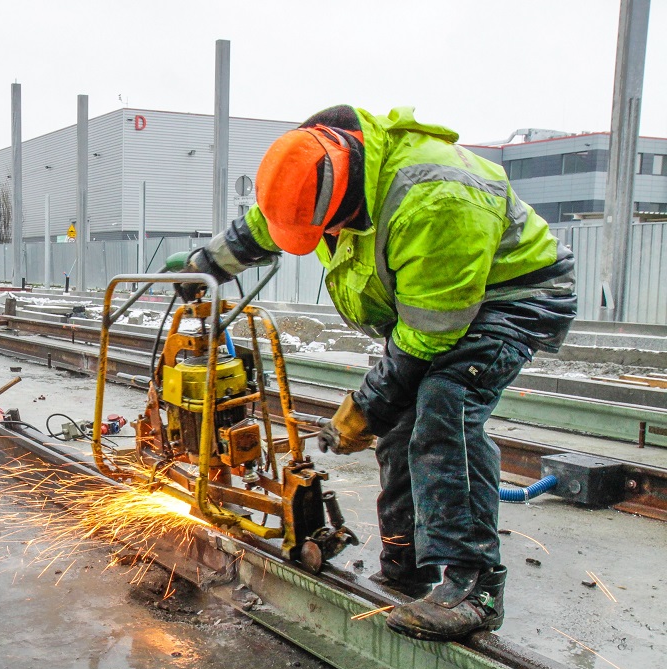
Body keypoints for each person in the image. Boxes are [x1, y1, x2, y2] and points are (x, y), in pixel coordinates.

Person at [179, 105, 577, 641]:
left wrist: (367, 407)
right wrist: (204, 266)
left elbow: (426, 341)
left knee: (443, 406)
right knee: (402, 427)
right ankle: (406, 562)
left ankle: (475, 587)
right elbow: (264, 226)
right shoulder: (320, 171)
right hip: (436, 308)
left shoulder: (433, 200)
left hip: (509, 300)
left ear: (342, 195)